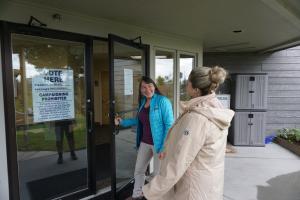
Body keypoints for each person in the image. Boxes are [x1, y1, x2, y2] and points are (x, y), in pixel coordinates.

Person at [142, 66, 235, 200]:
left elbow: (178, 163)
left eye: (188, 82)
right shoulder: (216, 108)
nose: (186, 85)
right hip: (209, 185)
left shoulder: (197, 119)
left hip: (193, 190)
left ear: (196, 90)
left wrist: (150, 192)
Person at [115, 76, 174, 200]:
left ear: (154, 86)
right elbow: (139, 120)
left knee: (158, 174)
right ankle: (137, 195)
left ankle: (153, 195)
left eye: (150, 86)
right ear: (140, 89)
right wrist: (123, 122)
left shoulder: (163, 101)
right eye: (143, 87)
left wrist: (164, 147)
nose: (147, 89)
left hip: (159, 145)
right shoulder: (143, 102)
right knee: (139, 170)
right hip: (145, 142)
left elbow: (169, 125)